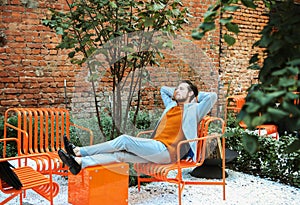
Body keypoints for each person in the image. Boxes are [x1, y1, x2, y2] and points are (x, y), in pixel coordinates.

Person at [58, 80, 217, 175]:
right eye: (176, 88)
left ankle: (79, 151)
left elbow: (212, 97)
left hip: (168, 151)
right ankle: (79, 163)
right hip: (156, 148)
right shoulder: (171, 106)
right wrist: (180, 92)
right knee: (120, 155)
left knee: (125, 140)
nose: (176, 90)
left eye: (181, 89)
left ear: (190, 94)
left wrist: (193, 94)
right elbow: (163, 90)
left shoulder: (195, 110)